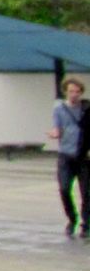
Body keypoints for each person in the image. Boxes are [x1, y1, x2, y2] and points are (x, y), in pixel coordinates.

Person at [48, 77, 90, 236]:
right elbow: (57, 127)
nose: (74, 94)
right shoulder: (59, 109)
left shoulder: (86, 109)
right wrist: (54, 133)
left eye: (77, 92)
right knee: (64, 189)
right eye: (71, 91)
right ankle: (72, 219)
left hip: (83, 156)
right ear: (65, 91)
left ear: (81, 93)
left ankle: (87, 224)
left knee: (86, 192)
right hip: (65, 155)